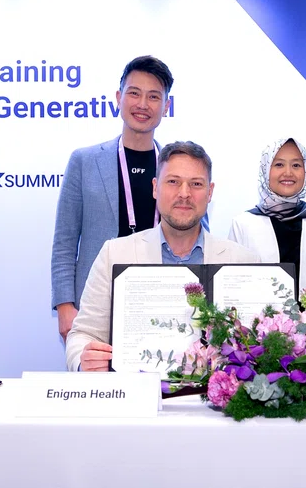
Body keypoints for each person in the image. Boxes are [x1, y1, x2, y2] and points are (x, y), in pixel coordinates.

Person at [66, 141, 260, 372]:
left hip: (215, 394)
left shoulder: (244, 261)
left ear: (210, 192)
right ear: (155, 188)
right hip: (135, 391)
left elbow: (257, 345)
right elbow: (83, 334)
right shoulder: (114, 254)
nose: (184, 193)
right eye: (173, 182)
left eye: (196, 184)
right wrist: (83, 361)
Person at [51, 55, 174, 342]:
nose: (142, 104)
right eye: (134, 93)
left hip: (163, 302)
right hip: (96, 306)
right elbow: (65, 242)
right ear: (119, 98)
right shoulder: (84, 161)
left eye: (153, 96)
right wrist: (65, 305)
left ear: (166, 106)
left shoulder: (177, 166)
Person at [227, 138, 306, 302]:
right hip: (260, 318)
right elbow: (234, 286)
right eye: (279, 164)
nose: (288, 172)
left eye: (296, 165)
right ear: (265, 170)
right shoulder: (243, 224)